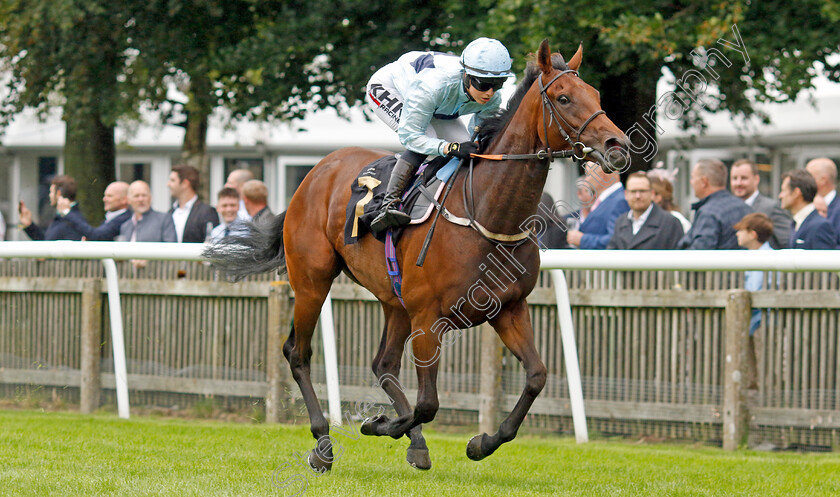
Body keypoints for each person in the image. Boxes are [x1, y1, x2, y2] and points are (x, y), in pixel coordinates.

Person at [366, 37, 514, 233]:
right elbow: (411, 136)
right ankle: (387, 205)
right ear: (467, 76)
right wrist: (449, 148)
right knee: (429, 135)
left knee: (467, 148)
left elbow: (478, 139)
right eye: (484, 84)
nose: (490, 92)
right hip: (391, 87)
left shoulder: (492, 98)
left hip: (437, 104)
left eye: (498, 84)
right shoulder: (432, 86)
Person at [733, 212, 775, 391]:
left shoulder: (764, 258)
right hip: (756, 323)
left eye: (741, 230)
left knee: (762, 370)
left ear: (753, 234)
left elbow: (755, 292)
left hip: (761, 324)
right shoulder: (756, 256)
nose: (737, 234)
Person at [678, 159, 751, 250]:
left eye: (693, 177)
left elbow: (699, 254)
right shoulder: (745, 208)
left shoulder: (708, 213)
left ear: (704, 181)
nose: (691, 182)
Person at [607, 172, 684, 250]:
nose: (637, 196)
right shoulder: (620, 222)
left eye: (642, 191)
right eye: (633, 191)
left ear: (652, 194)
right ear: (626, 194)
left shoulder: (670, 223)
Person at [729, 159, 791, 249]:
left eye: (744, 178)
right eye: (734, 178)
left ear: (756, 179)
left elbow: (785, 242)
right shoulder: (728, 208)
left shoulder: (772, 208)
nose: (738, 183)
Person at [567, 162, 629, 249]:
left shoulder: (620, 201)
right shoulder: (609, 199)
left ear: (602, 175)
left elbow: (616, 239)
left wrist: (582, 240)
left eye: (588, 175)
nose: (586, 180)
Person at [779, 169, 837, 249]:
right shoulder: (796, 223)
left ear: (796, 193)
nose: (780, 196)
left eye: (783, 190)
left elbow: (824, 260)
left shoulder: (820, 226)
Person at [57, 181, 133, 241]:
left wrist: (68, 213)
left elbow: (98, 235)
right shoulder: (112, 217)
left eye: (110, 196)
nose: (104, 199)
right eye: (105, 196)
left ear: (124, 200)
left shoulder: (125, 218)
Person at [19, 175, 86, 241]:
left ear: (58, 194)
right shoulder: (67, 217)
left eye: (51, 192)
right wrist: (30, 225)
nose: (49, 195)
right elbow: (48, 241)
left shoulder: (73, 220)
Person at [167, 164, 220, 243]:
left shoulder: (207, 212)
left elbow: (211, 244)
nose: (168, 184)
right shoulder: (171, 212)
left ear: (185, 184)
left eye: (172, 180)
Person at [804, 158, 840, 240]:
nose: (804, 182)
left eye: (809, 177)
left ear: (823, 180)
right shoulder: (806, 206)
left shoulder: (837, 210)